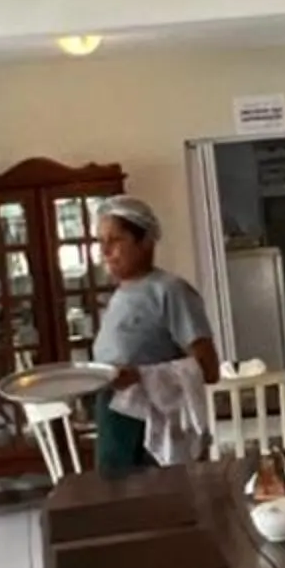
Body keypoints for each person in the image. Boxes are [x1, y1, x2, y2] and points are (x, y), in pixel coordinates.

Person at [91, 196, 220, 475]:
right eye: (100, 241)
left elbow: (208, 368)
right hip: (115, 424)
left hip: (150, 430)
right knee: (116, 509)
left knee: (157, 509)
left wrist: (140, 376)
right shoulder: (120, 295)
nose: (105, 250)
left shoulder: (170, 290)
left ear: (146, 241)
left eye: (116, 240)